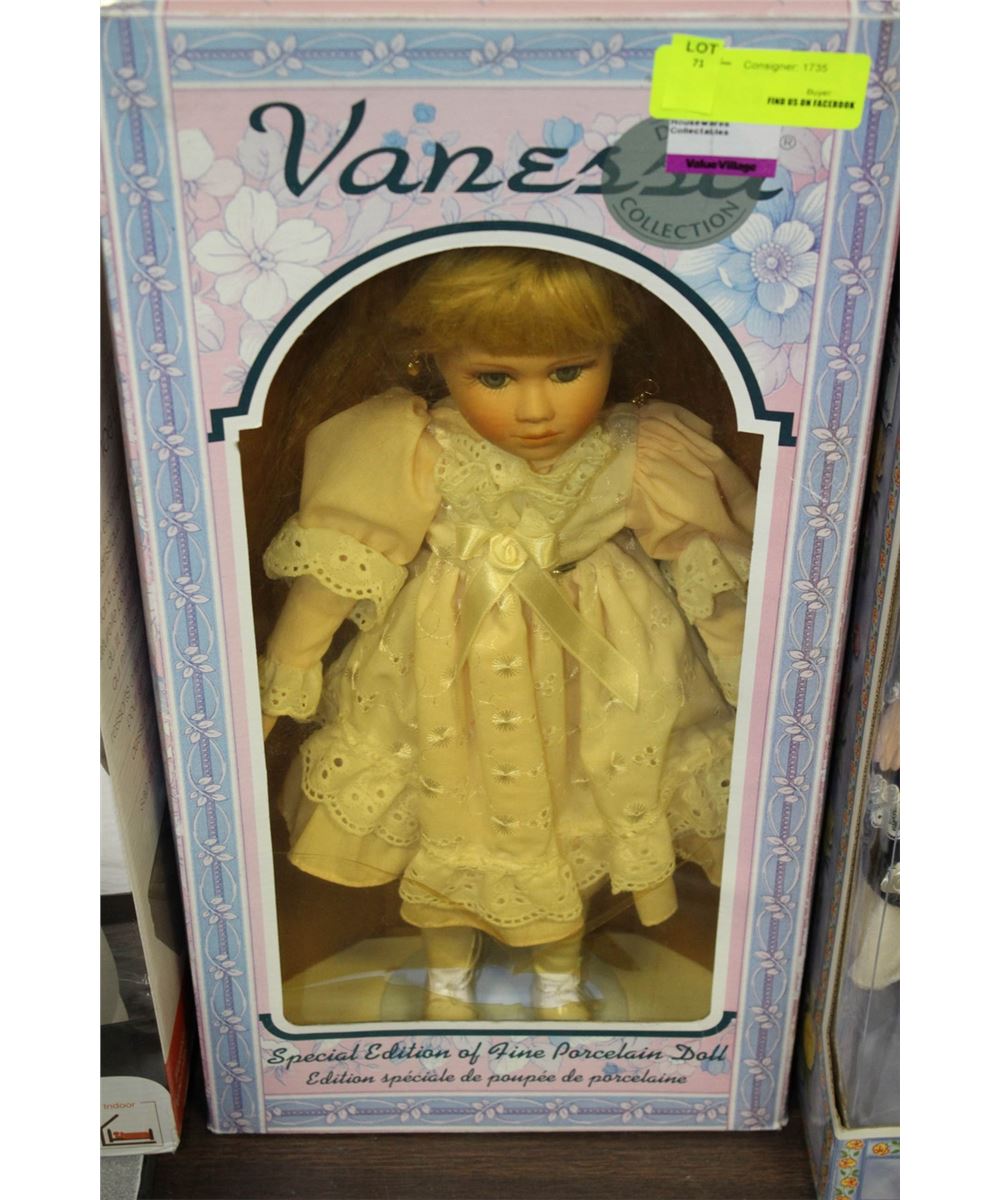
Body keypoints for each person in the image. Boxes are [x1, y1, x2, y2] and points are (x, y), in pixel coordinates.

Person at [258, 247, 756, 1020]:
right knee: (447, 807)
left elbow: (709, 573)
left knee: (578, 808)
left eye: (568, 371)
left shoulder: (641, 451)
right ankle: (446, 982)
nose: (535, 410)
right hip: (444, 666)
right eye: (494, 378)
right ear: (435, 361)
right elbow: (343, 562)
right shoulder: (411, 445)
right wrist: (285, 672)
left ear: (613, 355)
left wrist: (752, 676)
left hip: (597, 670)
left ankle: (560, 980)